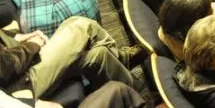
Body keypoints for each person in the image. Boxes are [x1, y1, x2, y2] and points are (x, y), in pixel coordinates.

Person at [0, 16, 145, 99]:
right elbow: (4, 67)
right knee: (82, 26)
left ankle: (132, 96)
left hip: (17, 59)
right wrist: (31, 46)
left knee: (98, 55)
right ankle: (123, 60)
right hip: (18, 84)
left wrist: (17, 37)